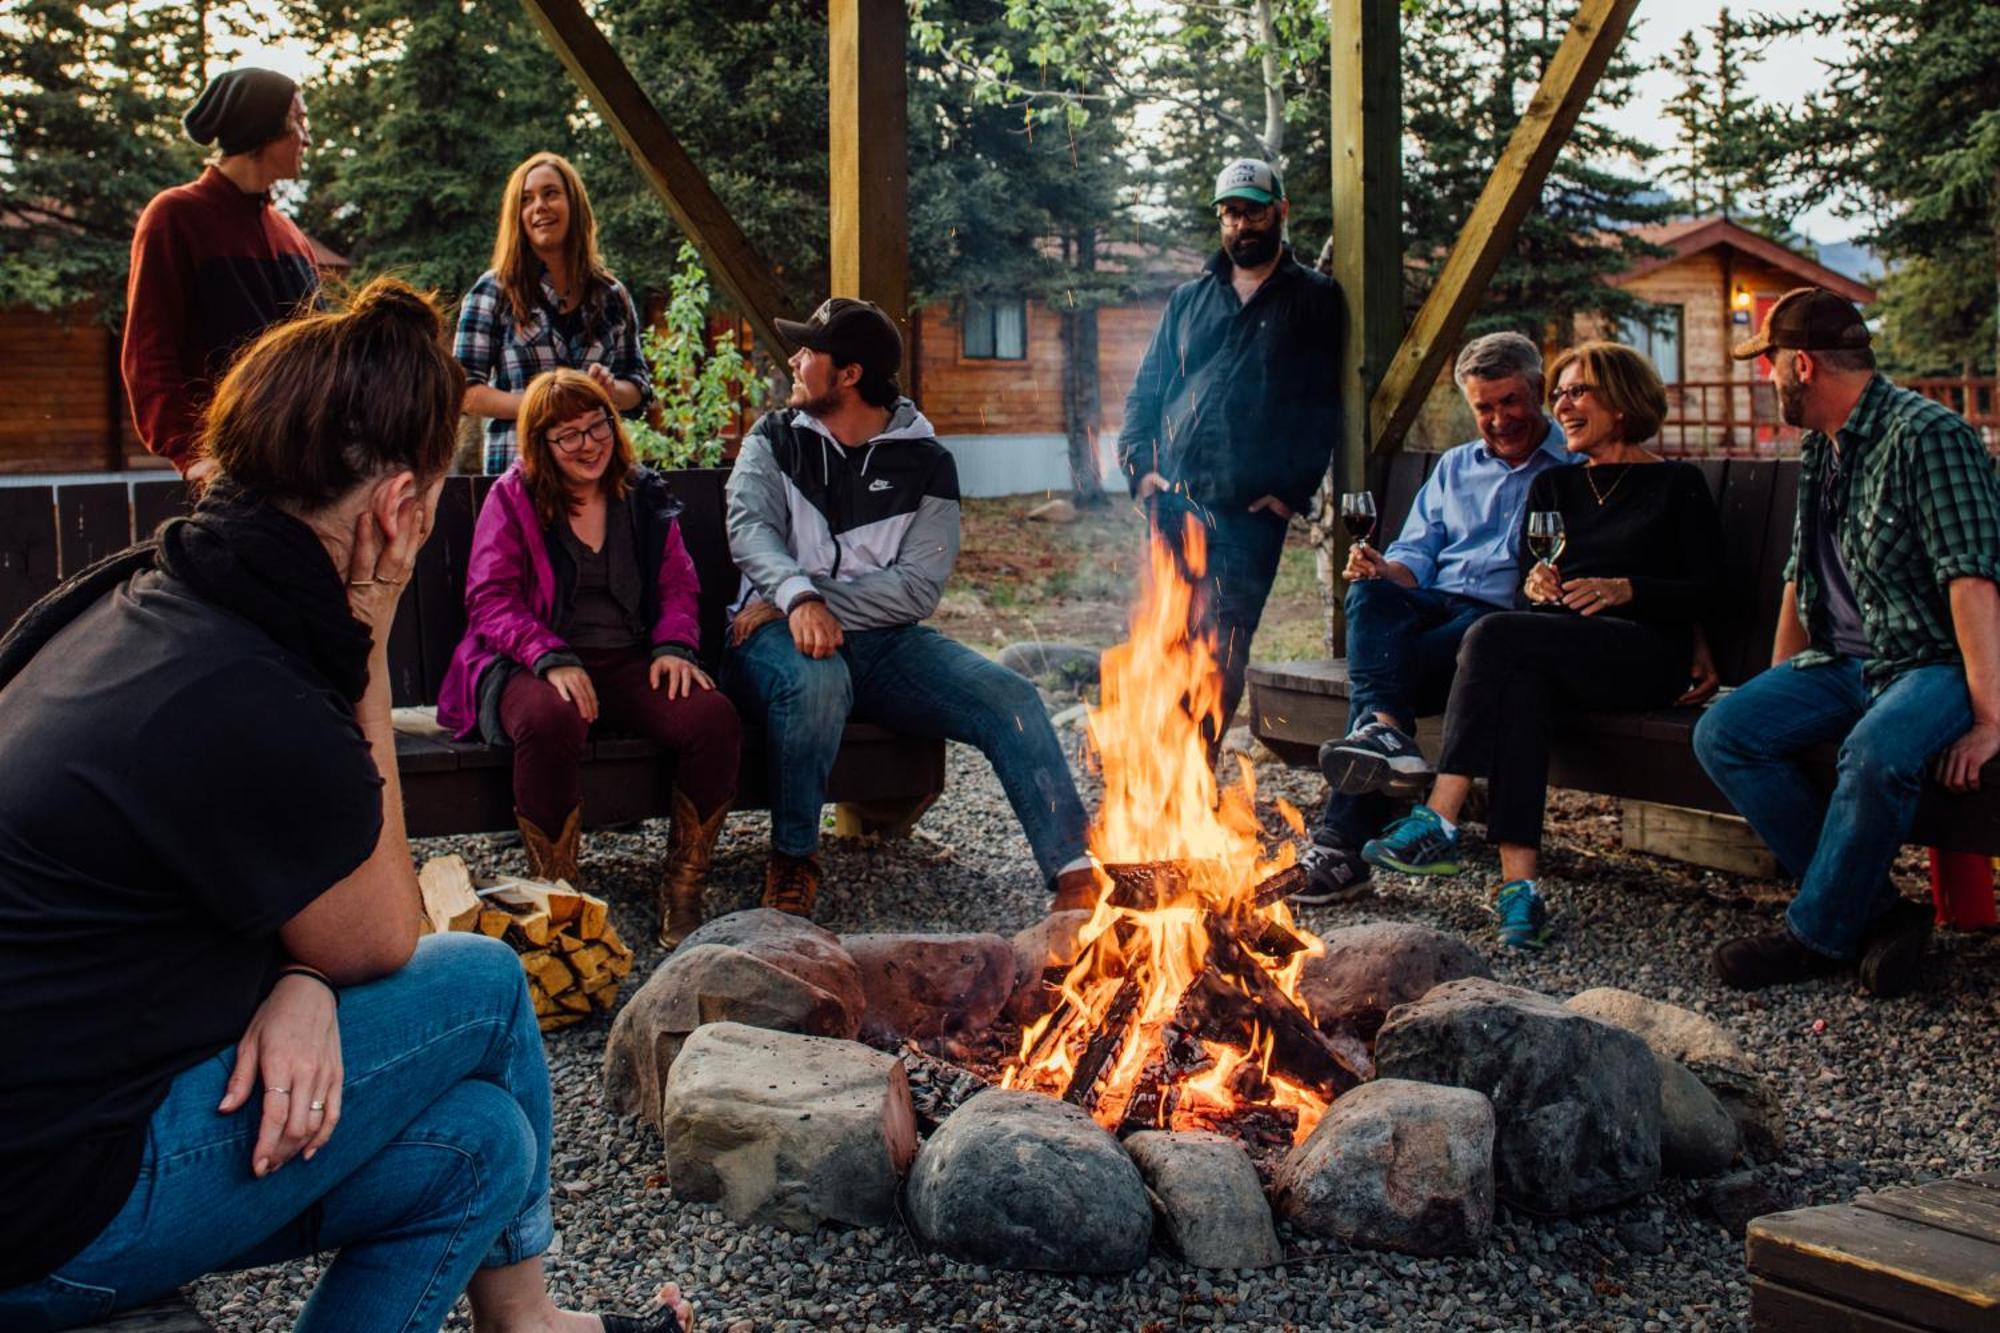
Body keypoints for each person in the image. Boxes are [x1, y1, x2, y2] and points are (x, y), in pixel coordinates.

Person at [0, 279, 689, 1333]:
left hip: (54, 1107)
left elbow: (232, 901)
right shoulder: (257, 686)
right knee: (487, 982)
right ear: (398, 514)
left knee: (483, 1145)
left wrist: (298, 978)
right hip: (46, 1209)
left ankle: (526, 1320)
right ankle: (532, 1323)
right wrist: (368, 629)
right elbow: (380, 940)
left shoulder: (142, 593)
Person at [725, 296, 1094, 916]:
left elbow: (917, 587)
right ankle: (793, 860)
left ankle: (1075, 870)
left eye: (808, 351)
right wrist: (796, 598)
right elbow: (749, 532)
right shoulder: (773, 439)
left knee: (1014, 698)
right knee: (816, 682)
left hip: (883, 644)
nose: (794, 359)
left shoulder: (927, 465)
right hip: (774, 638)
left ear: (848, 375)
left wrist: (819, 603)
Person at [1356, 342, 1724, 949]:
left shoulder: (1676, 483)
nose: (1563, 405)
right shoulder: (1556, 487)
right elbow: (1532, 600)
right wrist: (1537, 583)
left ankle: (1440, 816)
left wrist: (1625, 588)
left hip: (1646, 656)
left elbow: (1710, 587)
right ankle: (1520, 890)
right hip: (1570, 651)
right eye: (1560, 393)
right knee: (1519, 687)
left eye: (1577, 392)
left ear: (1623, 402)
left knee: (1492, 635)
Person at [1694, 287, 2000, 997]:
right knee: (1725, 733)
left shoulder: (1928, 437)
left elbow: (1973, 582)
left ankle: (1815, 934)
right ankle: (1877, 914)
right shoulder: (1826, 447)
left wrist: (1989, 721)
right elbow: (1800, 574)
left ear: (1802, 365)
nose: (1763, 378)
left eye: (1767, 363)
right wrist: (1777, 683)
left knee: (1874, 750)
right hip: (1841, 663)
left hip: (1933, 661)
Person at [438, 367, 742, 948]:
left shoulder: (642, 495)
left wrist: (675, 646)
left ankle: (683, 889)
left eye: (595, 424)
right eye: (567, 435)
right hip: (528, 660)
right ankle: (558, 899)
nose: (588, 444)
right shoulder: (515, 497)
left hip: (627, 658)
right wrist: (549, 655)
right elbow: (490, 598)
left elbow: (680, 585)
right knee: (553, 717)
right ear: (541, 444)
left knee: (712, 717)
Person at [1296, 333, 1580, 902]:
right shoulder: (1455, 467)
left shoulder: (1573, 467)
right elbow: (1417, 557)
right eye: (1484, 408)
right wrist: (1382, 566)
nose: (1498, 420)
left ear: (1539, 391)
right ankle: (1385, 733)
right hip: (1433, 607)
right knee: (1370, 596)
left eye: (1510, 402)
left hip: (1498, 631)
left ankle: (1341, 839)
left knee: (1382, 684)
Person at [1117, 158, 1341, 744]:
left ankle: (1197, 776)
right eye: (1230, 213)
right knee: (1167, 640)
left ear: (1280, 212)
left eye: (1253, 211)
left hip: (1249, 514)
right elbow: (1147, 389)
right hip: (1175, 503)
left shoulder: (1314, 299)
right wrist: (1140, 470)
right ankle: (1156, 778)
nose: (1241, 224)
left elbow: (1325, 404)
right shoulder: (1190, 299)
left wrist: (1291, 491)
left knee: (1220, 648)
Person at [122, 67, 319, 480]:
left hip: (302, 471)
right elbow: (149, 349)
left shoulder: (290, 237)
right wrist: (191, 455)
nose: (307, 137)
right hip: (225, 474)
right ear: (261, 129)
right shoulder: (177, 217)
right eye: (298, 122)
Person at [456, 152, 652, 475]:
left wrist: (609, 391)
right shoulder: (492, 292)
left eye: (551, 194)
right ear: (516, 216)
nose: (540, 207)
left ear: (574, 205)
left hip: (599, 475)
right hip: (521, 474)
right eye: (526, 199)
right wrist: (544, 406)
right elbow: (464, 392)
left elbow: (639, 387)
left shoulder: (612, 296)